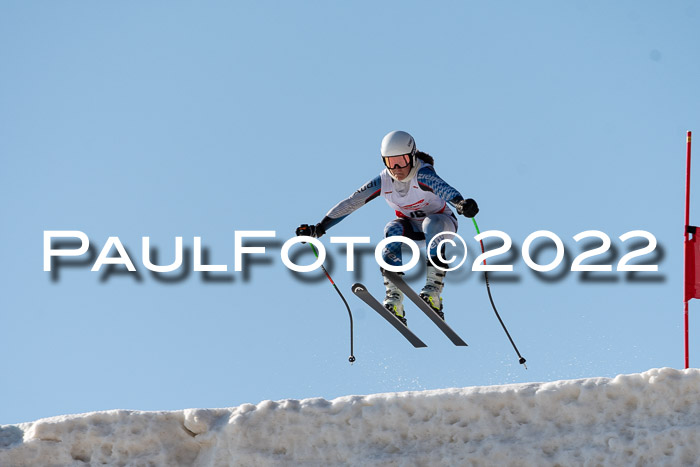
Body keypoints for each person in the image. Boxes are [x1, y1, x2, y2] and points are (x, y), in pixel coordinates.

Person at [296, 130, 478, 325]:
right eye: (391, 162)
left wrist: (460, 203)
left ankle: (433, 292)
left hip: (441, 225)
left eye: (402, 160)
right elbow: (351, 203)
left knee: (430, 223)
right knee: (392, 229)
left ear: (412, 156)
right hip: (412, 232)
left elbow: (444, 189)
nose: (397, 168)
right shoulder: (384, 180)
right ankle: (394, 298)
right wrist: (320, 227)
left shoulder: (422, 174)